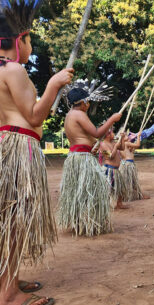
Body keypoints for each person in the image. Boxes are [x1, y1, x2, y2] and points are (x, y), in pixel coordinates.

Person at [0, 2, 73, 304]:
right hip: (19, 149)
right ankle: (8, 294)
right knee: (13, 226)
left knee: (8, 224)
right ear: (19, 41)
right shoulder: (13, 69)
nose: (31, 47)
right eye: (30, 40)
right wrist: (54, 85)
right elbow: (33, 117)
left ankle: (10, 279)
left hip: (7, 147)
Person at [58, 87, 122, 237]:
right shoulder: (79, 114)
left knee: (79, 190)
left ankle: (80, 221)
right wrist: (112, 119)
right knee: (94, 188)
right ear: (83, 102)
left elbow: (87, 137)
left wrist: (93, 145)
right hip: (82, 159)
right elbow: (97, 133)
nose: (89, 105)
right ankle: (87, 221)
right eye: (88, 102)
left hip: (76, 156)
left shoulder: (70, 115)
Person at [100, 129, 126, 208]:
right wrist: (116, 147)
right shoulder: (102, 144)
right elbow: (109, 157)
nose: (114, 134)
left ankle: (119, 204)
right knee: (107, 189)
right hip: (109, 170)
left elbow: (122, 148)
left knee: (120, 188)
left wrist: (122, 139)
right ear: (108, 135)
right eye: (112, 132)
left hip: (116, 170)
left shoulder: (113, 142)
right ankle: (105, 205)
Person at [119, 132, 147, 201]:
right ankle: (137, 194)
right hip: (128, 165)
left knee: (131, 181)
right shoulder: (126, 143)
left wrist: (132, 149)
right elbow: (137, 145)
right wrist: (138, 136)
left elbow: (131, 151)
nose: (128, 136)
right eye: (125, 135)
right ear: (121, 137)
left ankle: (137, 194)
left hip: (127, 164)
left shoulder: (123, 145)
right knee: (131, 181)